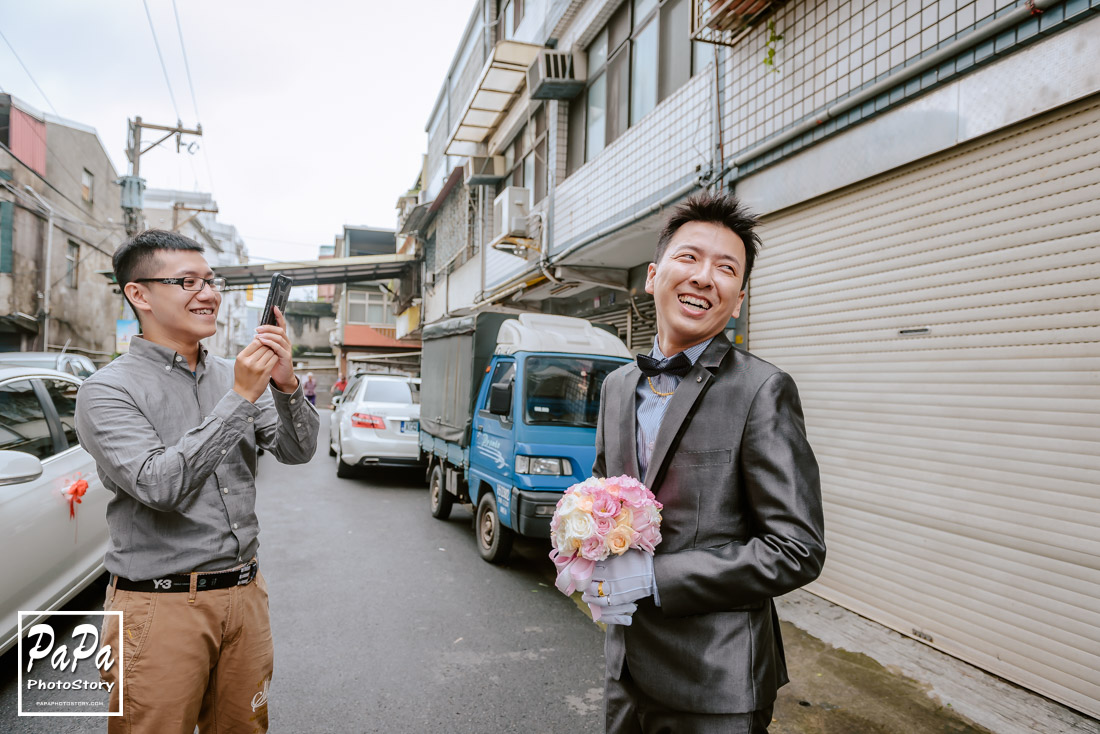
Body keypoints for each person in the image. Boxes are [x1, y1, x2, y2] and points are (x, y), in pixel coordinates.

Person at [579, 192, 826, 733]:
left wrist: (650, 576)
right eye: (689, 258)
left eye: (726, 268)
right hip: (626, 673)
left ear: (737, 300)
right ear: (653, 275)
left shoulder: (763, 389)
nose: (703, 277)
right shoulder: (618, 386)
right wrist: (586, 552)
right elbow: (606, 499)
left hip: (717, 684)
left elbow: (797, 549)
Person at [75, 229, 319, 734]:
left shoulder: (236, 373)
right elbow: (160, 487)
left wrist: (287, 384)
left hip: (245, 596)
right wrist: (241, 399)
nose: (207, 294)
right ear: (138, 294)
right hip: (158, 608)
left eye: (211, 281)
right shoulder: (107, 391)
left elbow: (298, 451)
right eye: (187, 281)